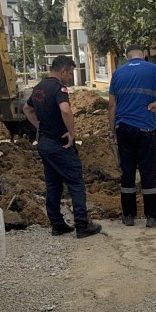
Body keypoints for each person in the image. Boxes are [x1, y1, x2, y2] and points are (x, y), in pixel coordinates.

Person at [22, 55, 102, 239]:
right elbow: (65, 110)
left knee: (53, 185)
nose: (70, 77)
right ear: (63, 70)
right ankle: (82, 225)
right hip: (60, 144)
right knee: (75, 183)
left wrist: (40, 127)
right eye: (70, 73)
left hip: (44, 143)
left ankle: (57, 224)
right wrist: (71, 133)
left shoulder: (38, 88)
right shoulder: (59, 88)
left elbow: (27, 109)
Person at [108, 45, 156, 228]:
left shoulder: (117, 73)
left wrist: (112, 131)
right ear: (144, 55)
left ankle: (129, 215)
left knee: (128, 171)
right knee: (147, 172)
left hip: (123, 128)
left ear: (127, 57)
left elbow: (111, 105)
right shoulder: (153, 69)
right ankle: (151, 217)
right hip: (146, 128)